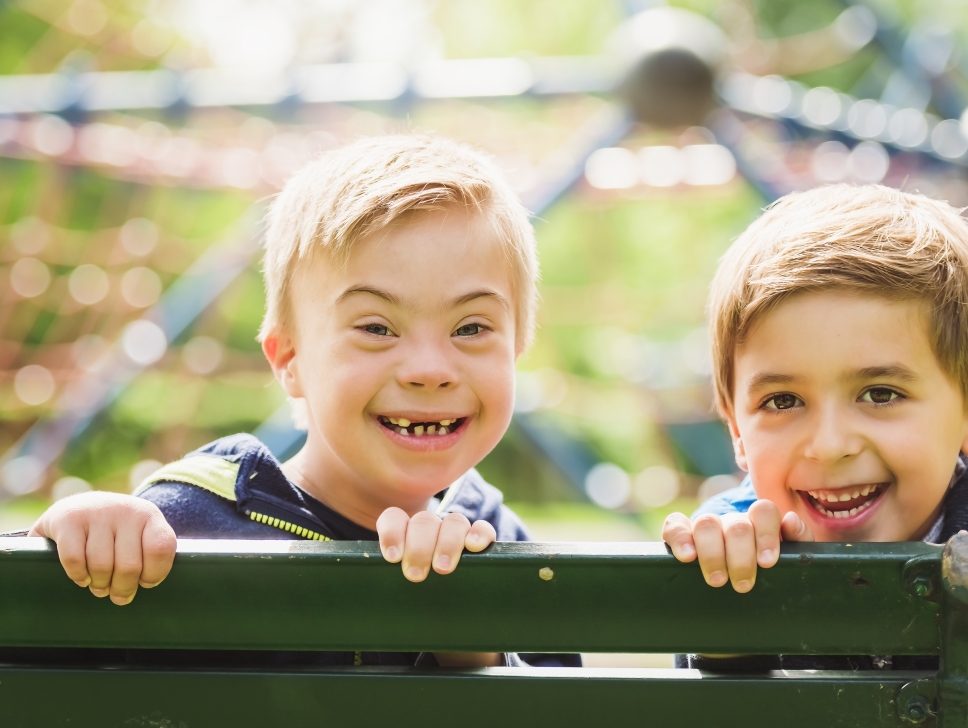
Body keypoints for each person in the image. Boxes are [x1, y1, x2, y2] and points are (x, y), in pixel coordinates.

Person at [21, 134, 576, 667]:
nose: (430, 371)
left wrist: (471, 652)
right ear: (288, 359)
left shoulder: (504, 548)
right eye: (378, 327)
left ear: (517, 351)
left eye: (472, 327)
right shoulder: (185, 525)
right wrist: (57, 545)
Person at [660, 184, 968, 672]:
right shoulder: (723, 555)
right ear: (737, 433)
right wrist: (732, 641)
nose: (830, 445)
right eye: (783, 401)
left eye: (880, 394)